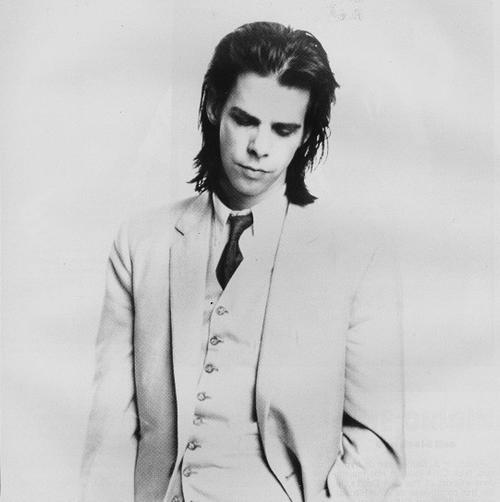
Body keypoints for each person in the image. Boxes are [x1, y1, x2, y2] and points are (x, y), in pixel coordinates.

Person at [80, 21, 404, 502]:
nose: (259, 148)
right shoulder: (142, 243)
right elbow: (110, 428)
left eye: (283, 129)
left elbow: (377, 443)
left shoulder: (356, 255)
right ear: (214, 107)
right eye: (245, 120)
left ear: (306, 135)